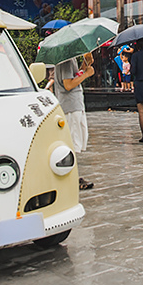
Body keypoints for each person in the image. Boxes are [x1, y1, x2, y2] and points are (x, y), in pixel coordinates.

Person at [53, 52, 96, 190]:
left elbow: (74, 76)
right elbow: (68, 84)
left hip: (74, 105)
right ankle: (71, 178)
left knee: (74, 142)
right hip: (70, 106)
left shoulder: (69, 59)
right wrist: (86, 74)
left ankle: (73, 176)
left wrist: (85, 65)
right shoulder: (65, 60)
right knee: (71, 143)